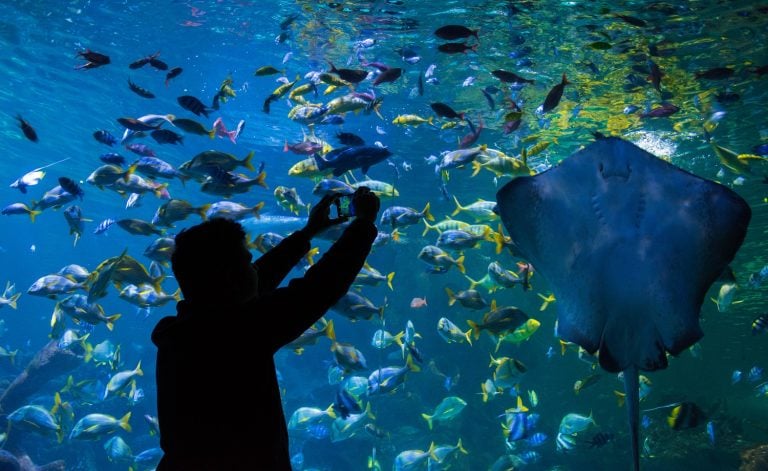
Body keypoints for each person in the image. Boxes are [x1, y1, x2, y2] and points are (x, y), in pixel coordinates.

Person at [152, 187, 380, 470]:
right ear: (229, 277)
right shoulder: (237, 333)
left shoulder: (185, 333)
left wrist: (307, 233)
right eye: (248, 262)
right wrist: (363, 224)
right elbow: (318, 289)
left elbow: (251, 284)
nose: (255, 268)